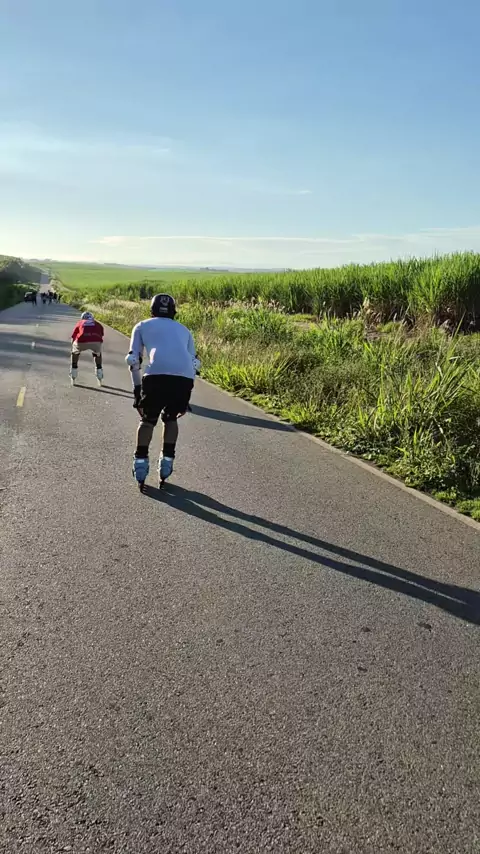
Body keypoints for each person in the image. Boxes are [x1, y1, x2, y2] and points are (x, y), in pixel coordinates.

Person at [126, 293, 197, 485]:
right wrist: (188, 392)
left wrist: (137, 392)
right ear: (174, 311)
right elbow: (194, 363)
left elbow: (133, 360)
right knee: (171, 417)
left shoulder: (141, 326)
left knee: (148, 420)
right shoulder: (185, 330)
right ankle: (167, 462)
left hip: (155, 376)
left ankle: (140, 462)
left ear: (152, 310)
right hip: (184, 378)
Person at [70, 311, 104, 383]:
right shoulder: (97, 323)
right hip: (96, 341)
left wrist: (73, 347)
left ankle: (73, 370)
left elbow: (73, 336)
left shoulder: (80, 323)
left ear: (82, 318)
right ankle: (99, 371)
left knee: (75, 351)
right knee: (97, 353)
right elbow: (101, 334)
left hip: (82, 341)